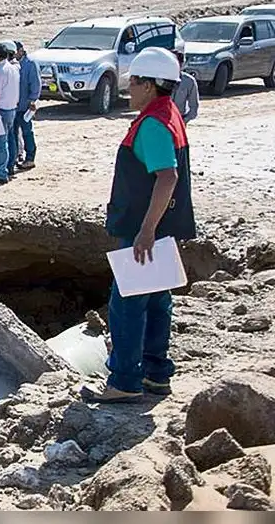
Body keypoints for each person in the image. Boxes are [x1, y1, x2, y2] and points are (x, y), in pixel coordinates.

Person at [81, 47, 196, 404]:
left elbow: (167, 177)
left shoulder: (153, 124)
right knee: (158, 299)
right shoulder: (169, 114)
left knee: (127, 304)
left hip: (143, 228)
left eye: (134, 82)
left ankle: (125, 381)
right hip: (161, 224)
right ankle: (156, 374)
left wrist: (146, 230)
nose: (129, 89)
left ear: (149, 84)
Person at [0, 43, 19, 185]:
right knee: (6, 140)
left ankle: (0, 172)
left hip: (0, 110)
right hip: (11, 109)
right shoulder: (13, 68)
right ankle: (3, 168)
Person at [13, 40, 41, 171]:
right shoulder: (11, 64)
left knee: (27, 132)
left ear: (21, 50)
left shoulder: (30, 64)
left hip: (25, 106)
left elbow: (35, 85)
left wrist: (32, 101)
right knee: (12, 134)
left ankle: (30, 158)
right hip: (13, 105)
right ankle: (15, 157)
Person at [170, 39, 199, 124]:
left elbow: (194, 107)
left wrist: (183, 120)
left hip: (180, 120)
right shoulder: (159, 79)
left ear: (182, 64)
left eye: (177, 63)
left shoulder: (189, 81)